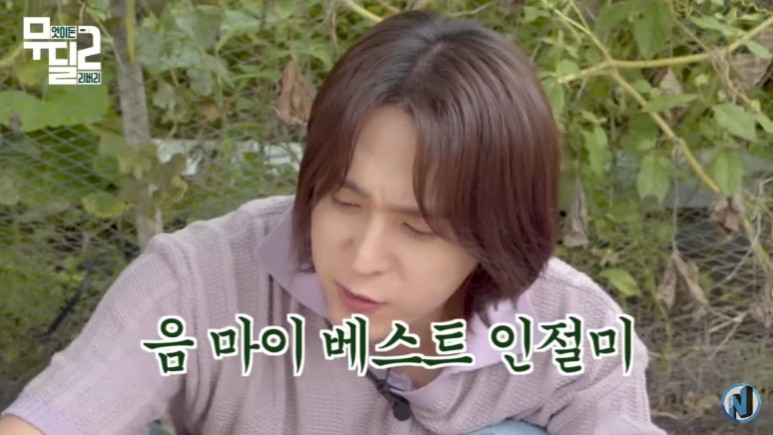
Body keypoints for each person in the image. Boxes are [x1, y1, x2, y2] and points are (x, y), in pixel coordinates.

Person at [0, 10, 666, 435]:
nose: (362, 256)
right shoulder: (198, 282)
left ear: (494, 228)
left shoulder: (575, 334)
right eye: (344, 203)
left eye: (418, 228)